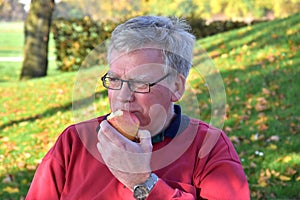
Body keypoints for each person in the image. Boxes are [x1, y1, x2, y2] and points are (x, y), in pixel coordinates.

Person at [26, 16, 250, 200]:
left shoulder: (208, 149)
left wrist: (142, 182)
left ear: (176, 86)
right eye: (114, 80)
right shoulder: (73, 142)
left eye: (141, 83)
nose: (123, 97)